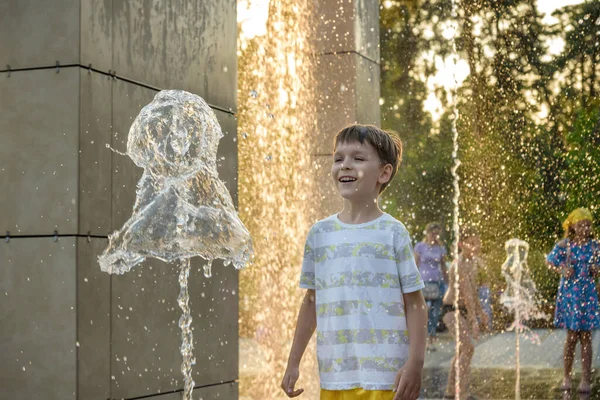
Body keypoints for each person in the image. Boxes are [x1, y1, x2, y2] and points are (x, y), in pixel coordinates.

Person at [281, 124, 427, 400]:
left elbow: (415, 303)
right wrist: (293, 361)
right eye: (338, 159)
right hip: (336, 376)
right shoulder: (320, 234)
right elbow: (311, 301)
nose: (345, 165)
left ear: (384, 173)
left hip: (386, 378)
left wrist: (415, 364)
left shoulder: (393, 232)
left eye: (358, 159)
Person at [546, 207, 600, 395]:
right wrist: (562, 270)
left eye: (588, 224)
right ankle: (567, 377)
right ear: (573, 226)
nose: (585, 227)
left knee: (586, 337)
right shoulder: (565, 245)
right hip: (570, 296)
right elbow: (549, 261)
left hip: (587, 294)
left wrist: (596, 270)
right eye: (581, 224)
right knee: (571, 338)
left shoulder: (595, 246)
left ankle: (585, 379)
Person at [442, 230, 489, 400]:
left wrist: (480, 311)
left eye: (477, 241)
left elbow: (473, 291)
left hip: (461, 309)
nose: (476, 246)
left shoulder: (472, 262)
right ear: (461, 245)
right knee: (468, 347)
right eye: (471, 242)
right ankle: (462, 393)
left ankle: (449, 391)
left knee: (462, 349)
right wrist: (473, 320)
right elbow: (466, 292)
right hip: (451, 309)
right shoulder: (460, 263)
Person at [414, 222, 448, 350]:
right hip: (423, 283)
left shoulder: (440, 249)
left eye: (437, 234)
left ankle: (431, 340)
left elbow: (444, 266)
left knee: (435, 314)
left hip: (437, 282)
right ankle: (422, 340)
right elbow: (415, 264)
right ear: (427, 233)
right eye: (433, 234)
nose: (435, 236)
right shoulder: (420, 247)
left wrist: (448, 283)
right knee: (424, 312)